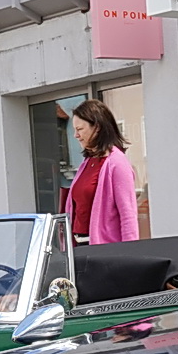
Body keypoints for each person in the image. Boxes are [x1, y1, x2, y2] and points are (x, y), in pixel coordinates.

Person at [64, 100, 139, 245]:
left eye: (79, 129)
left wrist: (130, 254)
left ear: (97, 128)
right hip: (79, 247)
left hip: (104, 250)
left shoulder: (117, 163)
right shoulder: (87, 163)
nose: (75, 135)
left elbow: (128, 215)